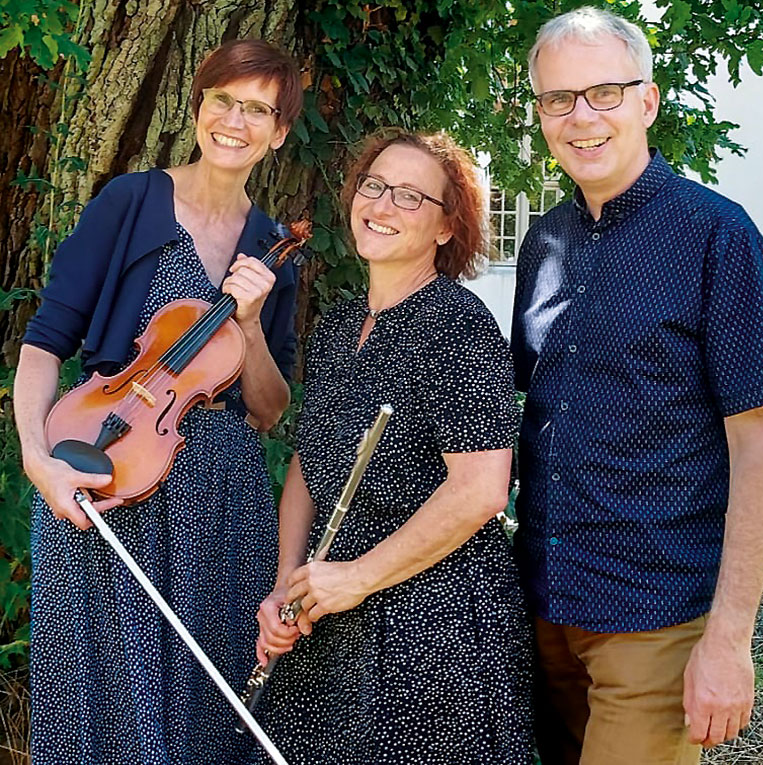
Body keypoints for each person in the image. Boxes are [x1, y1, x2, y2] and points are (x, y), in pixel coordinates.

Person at [510, 7, 763, 765]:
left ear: (648, 101)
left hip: (653, 618)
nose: (581, 117)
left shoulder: (716, 235)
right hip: (542, 607)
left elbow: (761, 444)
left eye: (604, 92)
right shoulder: (544, 241)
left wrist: (729, 640)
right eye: (558, 99)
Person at [14, 39, 303, 764]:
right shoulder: (131, 202)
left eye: (258, 109)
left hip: (223, 502)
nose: (235, 121)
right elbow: (45, 343)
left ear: (279, 131)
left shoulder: (271, 247)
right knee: (105, 709)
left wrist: (246, 323)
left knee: (207, 717)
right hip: (110, 471)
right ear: (199, 104)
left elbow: (268, 409)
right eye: (224, 101)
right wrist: (37, 460)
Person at [255, 130, 535, 764]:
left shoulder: (460, 325)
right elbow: (309, 463)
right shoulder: (335, 325)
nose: (381, 206)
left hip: (432, 629)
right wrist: (285, 586)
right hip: (327, 613)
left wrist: (355, 578)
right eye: (374, 187)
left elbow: (480, 492)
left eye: (410, 197)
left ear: (445, 227)